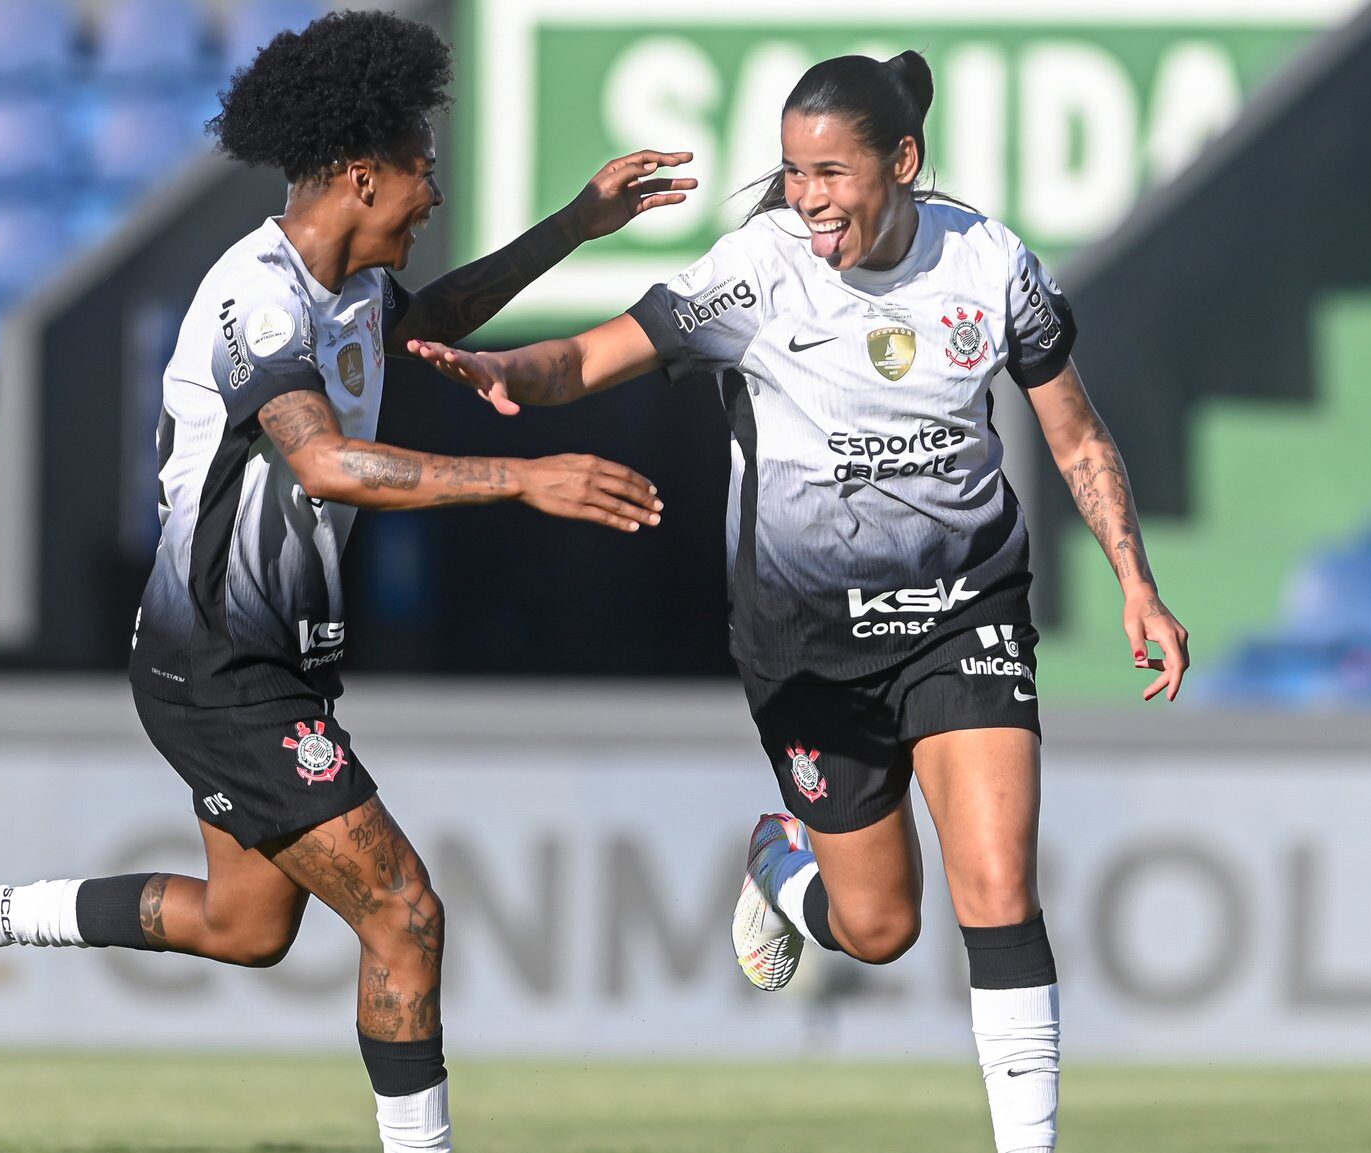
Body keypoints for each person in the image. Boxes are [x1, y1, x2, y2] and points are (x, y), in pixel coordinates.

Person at [0, 13, 689, 1153]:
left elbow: (433, 322)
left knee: (244, 926)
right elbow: (319, 457)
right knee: (403, 915)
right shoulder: (258, 295)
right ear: (362, 176)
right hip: (218, 663)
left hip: (265, 661)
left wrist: (576, 225)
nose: (433, 195)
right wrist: (522, 475)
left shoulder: (347, 285)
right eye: (421, 174)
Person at [410, 51, 1190, 1153]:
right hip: (806, 641)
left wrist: (1135, 585)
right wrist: (509, 374)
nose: (807, 196)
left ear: (900, 163)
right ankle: (783, 863)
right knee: (876, 927)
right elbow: (594, 354)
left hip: (964, 610)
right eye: (790, 171)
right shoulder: (757, 270)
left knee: (999, 883)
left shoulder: (990, 265)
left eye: (829, 170)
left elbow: (1073, 433)